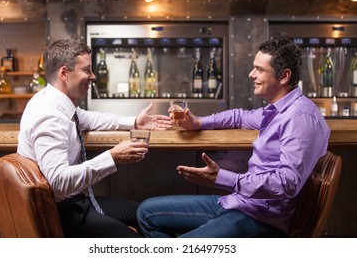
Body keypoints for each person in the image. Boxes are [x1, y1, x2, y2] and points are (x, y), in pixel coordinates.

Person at [137, 37, 330, 238]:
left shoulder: (300, 117)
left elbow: (286, 184)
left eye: (260, 70)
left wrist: (222, 178)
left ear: (284, 76)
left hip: (263, 219)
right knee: (146, 213)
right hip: (242, 203)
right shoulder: (279, 110)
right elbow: (239, 116)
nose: (251, 74)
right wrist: (198, 123)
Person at [17, 39, 172, 238]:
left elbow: (87, 118)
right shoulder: (49, 116)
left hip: (76, 202)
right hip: (62, 213)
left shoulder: (55, 102)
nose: (93, 76)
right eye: (87, 70)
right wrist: (112, 157)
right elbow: (58, 182)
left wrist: (135, 121)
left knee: (146, 214)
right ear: (64, 73)